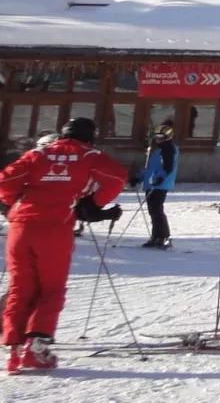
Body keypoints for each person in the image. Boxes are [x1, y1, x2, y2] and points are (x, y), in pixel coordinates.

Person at [0, 117, 127, 374]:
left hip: (21, 226)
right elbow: (118, 175)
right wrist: (94, 203)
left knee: (20, 286)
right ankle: (36, 347)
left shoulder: (41, 152)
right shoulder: (89, 154)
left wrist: (13, 203)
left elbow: (4, 180)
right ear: (90, 136)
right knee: (51, 288)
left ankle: (13, 351)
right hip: (56, 226)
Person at [140, 123, 178, 249]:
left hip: (160, 185)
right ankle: (156, 236)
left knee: (157, 211)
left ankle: (164, 236)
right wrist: (139, 177)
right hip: (151, 184)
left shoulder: (169, 150)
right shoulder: (157, 150)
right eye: (156, 137)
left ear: (168, 137)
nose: (158, 139)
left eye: (161, 137)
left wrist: (160, 178)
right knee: (153, 211)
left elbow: (168, 167)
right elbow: (149, 167)